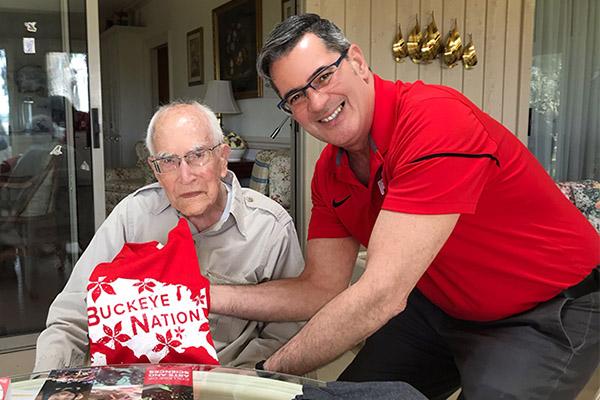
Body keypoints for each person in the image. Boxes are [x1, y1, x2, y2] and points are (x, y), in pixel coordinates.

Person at [210, 14, 600, 399]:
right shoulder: (330, 172)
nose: (316, 101)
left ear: (358, 63)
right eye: (295, 96)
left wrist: (265, 374)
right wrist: (205, 295)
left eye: (323, 77)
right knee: (344, 396)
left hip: (544, 308)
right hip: (440, 303)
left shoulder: (435, 120)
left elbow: (382, 294)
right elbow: (319, 289)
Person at [34, 101, 305, 372]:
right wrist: (46, 382)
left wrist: (234, 383)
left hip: (230, 380)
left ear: (222, 159)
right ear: (155, 170)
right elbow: (71, 317)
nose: (185, 176)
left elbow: (287, 334)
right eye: (168, 161)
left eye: (198, 155)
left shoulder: (269, 227)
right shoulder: (134, 215)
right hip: (135, 382)